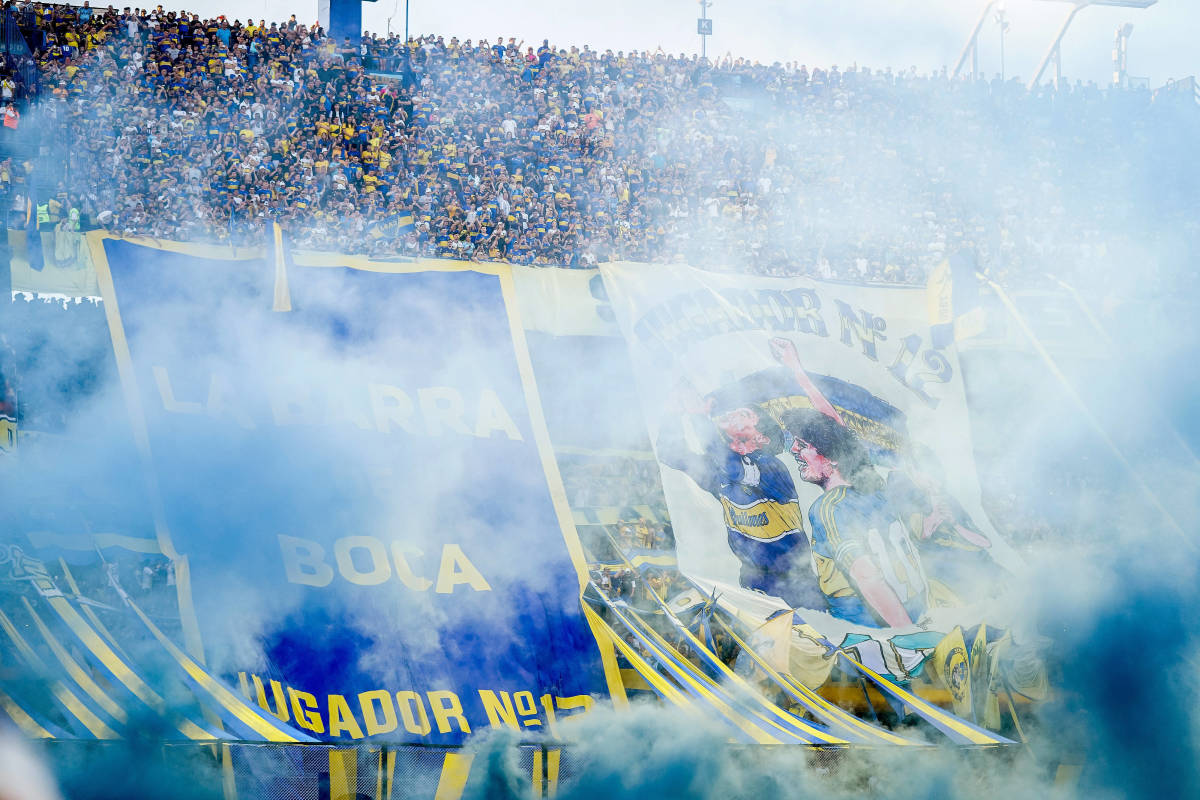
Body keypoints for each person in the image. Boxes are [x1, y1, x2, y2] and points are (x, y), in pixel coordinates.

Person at [656, 381, 824, 610]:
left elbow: (734, 468)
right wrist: (672, 414)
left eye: (743, 414)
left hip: (796, 588)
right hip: (752, 585)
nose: (730, 416)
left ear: (762, 437)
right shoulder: (720, 475)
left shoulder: (771, 468)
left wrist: (697, 416)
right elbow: (670, 454)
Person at [780, 407, 928, 628]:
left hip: (874, 636)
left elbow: (867, 576)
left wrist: (908, 634)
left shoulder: (829, 508)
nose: (794, 451)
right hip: (919, 615)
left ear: (833, 458)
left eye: (802, 445)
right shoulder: (877, 492)